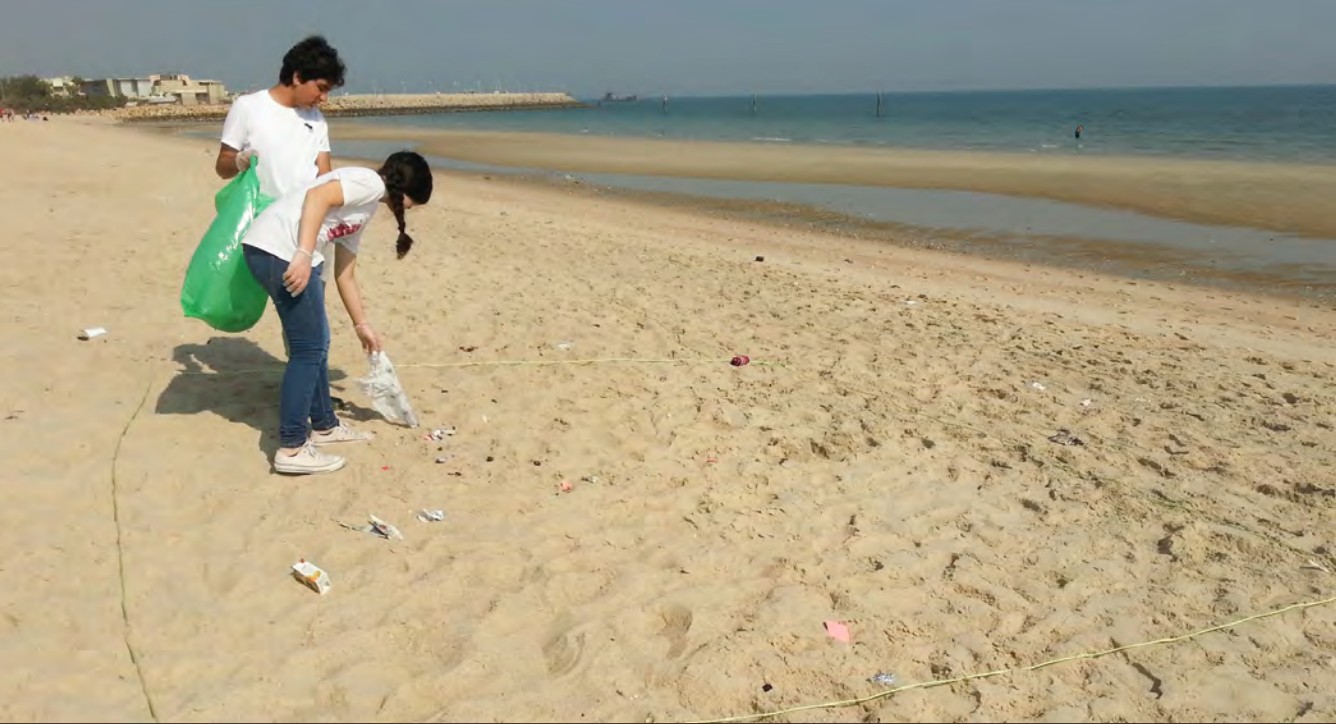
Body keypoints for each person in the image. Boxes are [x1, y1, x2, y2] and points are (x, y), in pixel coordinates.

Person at [241, 151, 434, 475]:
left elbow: (346, 273)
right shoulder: (368, 182)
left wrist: (362, 325)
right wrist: (302, 254)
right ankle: (292, 446)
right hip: (278, 251)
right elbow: (317, 196)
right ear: (412, 193)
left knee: (319, 343)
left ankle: (325, 426)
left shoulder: (366, 206)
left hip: (290, 253)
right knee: (309, 348)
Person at [216, 35, 346, 199]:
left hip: (302, 218)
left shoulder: (317, 119)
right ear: (297, 77)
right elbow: (222, 168)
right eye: (321, 88)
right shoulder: (248, 107)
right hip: (260, 216)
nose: (324, 98)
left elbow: (324, 176)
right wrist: (239, 161)